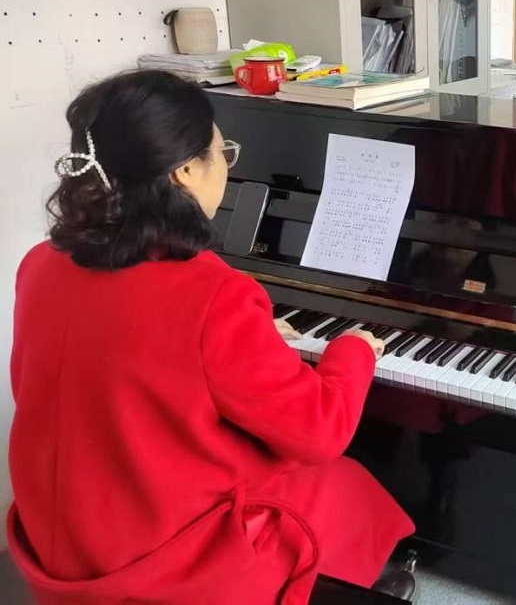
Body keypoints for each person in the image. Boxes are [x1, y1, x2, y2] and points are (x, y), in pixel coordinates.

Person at [7, 70, 414, 604]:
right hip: (162, 555)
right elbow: (320, 432)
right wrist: (352, 350)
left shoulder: (41, 263)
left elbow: (116, 364)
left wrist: (246, 341)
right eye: (223, 153)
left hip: (64, 533)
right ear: (184, 171)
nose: (226, 167)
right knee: (339, 481)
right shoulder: (213, 293)